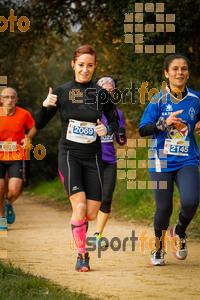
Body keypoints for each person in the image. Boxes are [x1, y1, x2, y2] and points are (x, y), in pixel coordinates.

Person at [34, 45, 119, 272]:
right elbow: (39, 124)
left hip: (93, 158)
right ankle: (82, 254)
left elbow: (114, 121)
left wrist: (107, 130)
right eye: (81, 65)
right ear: (73, 65)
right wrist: (44, 106)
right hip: (69, 155)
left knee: (91, 213)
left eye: (90, 65)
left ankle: (80, 235)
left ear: (95, 66)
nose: (85, 69)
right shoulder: (62, 92)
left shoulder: (100, 94)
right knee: (79, 207)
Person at [139, 54, 200, 266]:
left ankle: (179, 232)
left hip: (188, 160)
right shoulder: (158, 100)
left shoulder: (196, 98)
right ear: (166, 73)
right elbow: (143, 129)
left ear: (188, 73)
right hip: (161, 161)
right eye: (174, 69)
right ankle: (158, 248)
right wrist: (163, 123)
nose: (179, 73)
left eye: (183, 69)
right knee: (164, 208)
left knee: (191, 202)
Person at [92, 76, 127, 247]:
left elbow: (121, 142)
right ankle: (80, 227)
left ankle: (97, 235)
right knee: (90, 199)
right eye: (105, 91)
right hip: (91, 160)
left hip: (109, 161)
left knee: (106, 198)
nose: (108, 94)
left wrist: (121, 135)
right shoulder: (88, 111)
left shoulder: (117, 113)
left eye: (111, 91)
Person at [0, 87, 36, 230]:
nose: (9, 100)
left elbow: (34, 126)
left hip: (16, 156)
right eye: (6, 97)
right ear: (1, 99)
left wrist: (27, 138)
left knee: (14, 190)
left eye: (12, 97)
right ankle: (2, 219)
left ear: (16, 100)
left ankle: (9, 204)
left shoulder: (24, 114)